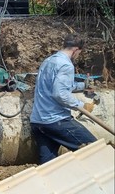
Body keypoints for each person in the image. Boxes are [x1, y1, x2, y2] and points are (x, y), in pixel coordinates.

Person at [30, 33, 97, 164]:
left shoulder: (49, 61)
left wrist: (83, 85)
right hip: (55, 121)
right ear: (76, 50)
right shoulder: (66, 65)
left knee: (48, 166)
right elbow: (60, 94)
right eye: (79, 53)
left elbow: (57, 86)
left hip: (38, 122)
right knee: (94, 150)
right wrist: (81, 105)